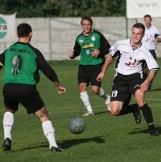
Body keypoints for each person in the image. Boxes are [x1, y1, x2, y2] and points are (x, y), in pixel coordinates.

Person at [0, 23, 66, 152]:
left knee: (9, 110)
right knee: (43, 116)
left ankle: (7, 137)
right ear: (31, 34)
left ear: (17, 34)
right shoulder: (33, 52)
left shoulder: (9, 50)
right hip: (26, 88)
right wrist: (58, 85)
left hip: (9, 87)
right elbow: (48, 71)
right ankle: (53, 145)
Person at [97, 23, 159, 136]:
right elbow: (110, 56)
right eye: (134, 33)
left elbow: (154, 69)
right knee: (114, 111)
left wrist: (146, 81)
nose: (135, 36)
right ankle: (134, 108)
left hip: (135, 78)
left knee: (140, 95)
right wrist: (103, 71)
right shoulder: (121, 44)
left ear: (143, 35)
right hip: (120, 79)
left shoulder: (145, 51)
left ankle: (152, 129)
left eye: (138, 34)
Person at [69, 16, 111, 116]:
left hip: (95, 66)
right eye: (84, 25)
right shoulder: (79, 38)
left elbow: (108, 48)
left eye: (88, 24)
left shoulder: (97, 35)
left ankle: (107, 98)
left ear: (91, 25)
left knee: (95, 89)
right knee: (82, 87)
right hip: (83, 66)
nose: (86, 27)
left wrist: (99, 51)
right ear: (82, 25)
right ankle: (90, 110)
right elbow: (77, 51)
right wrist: (72, 54)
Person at [142, 14, 161, 90]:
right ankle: (143, 84)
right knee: (143, 69)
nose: (147, 22)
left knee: (154, 69)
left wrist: (158, 40)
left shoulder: (154, 29)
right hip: (143, 51)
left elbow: (158, 38)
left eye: (148, 20)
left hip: (151, 50)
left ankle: (149, 83)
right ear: (144, 21)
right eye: (146, 20)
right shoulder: (142, 29)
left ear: (151, 20)